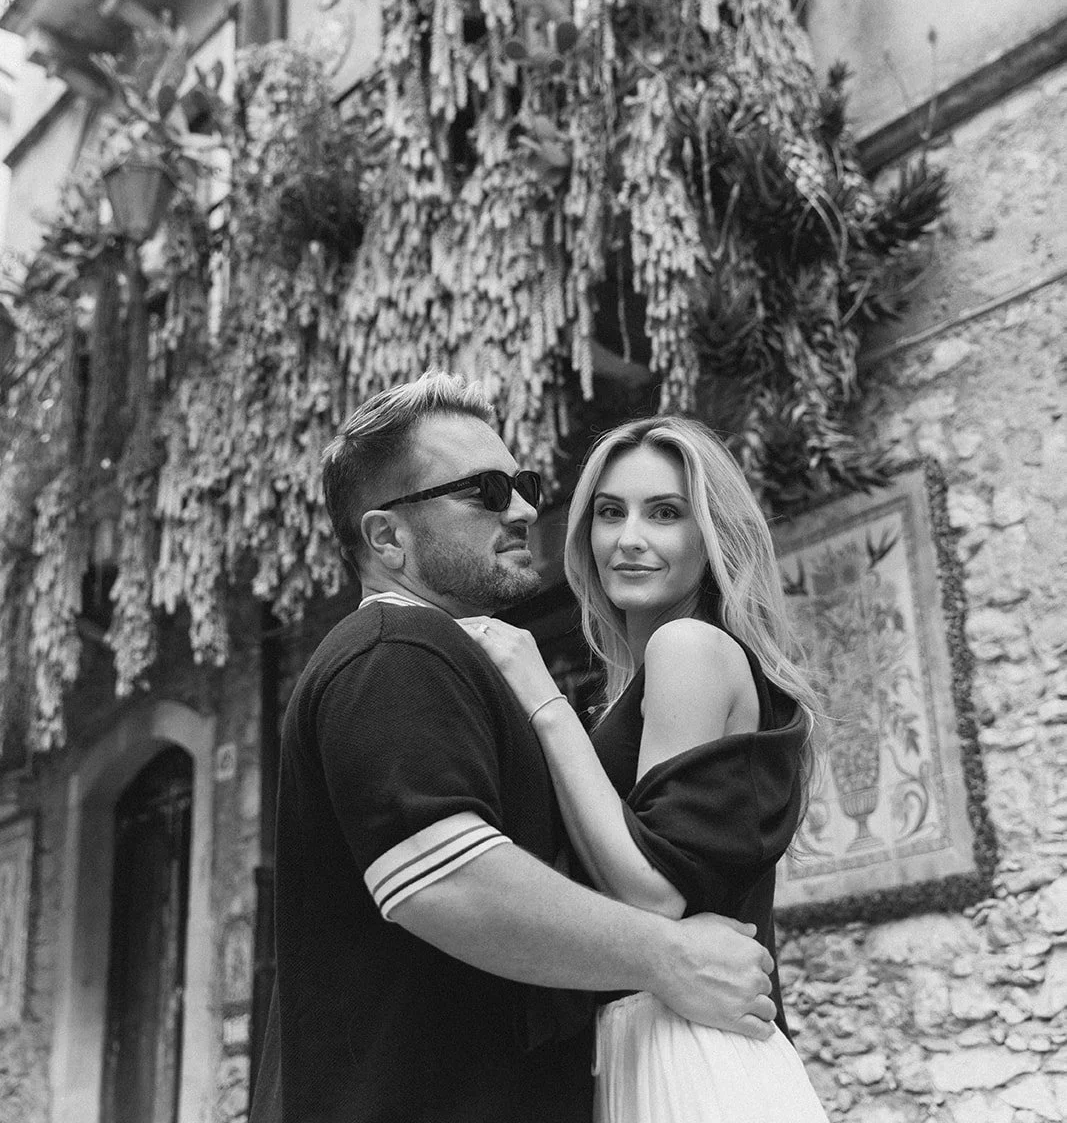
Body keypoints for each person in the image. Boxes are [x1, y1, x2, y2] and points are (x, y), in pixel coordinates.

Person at [249, 376, 778, 1123]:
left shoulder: (448, 660)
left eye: (522, 484)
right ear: (387, 538)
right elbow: (450, 881)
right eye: (485, 491)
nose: (526, 509)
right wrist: (668, 955)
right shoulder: (395, 648)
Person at [466, 415, 831, 1123]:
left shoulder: (688, 648)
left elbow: (654, 896)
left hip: (687, 1051)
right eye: (609, 513)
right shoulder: (642, 685)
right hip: (654, 1039)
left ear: (711, 534)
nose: (628, 538)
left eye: (664, 513)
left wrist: (542, 700)